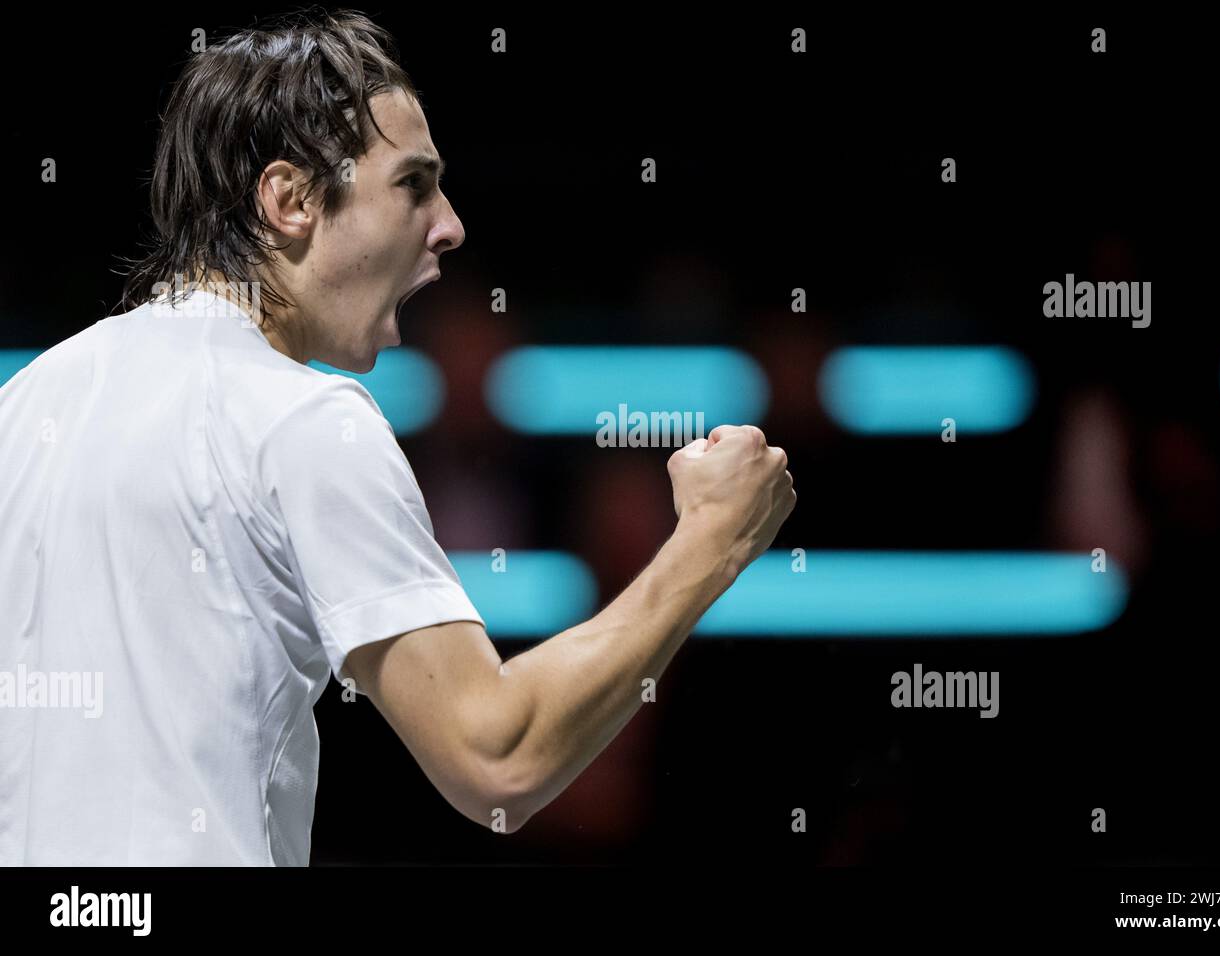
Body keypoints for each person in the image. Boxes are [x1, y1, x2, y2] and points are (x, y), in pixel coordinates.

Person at [0, 9, 794, 865]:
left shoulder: (26, 403)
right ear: (291, 200)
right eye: (413, 184)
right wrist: (711, 543)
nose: (448, 224)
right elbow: (497, 758)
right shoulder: (304, 419)